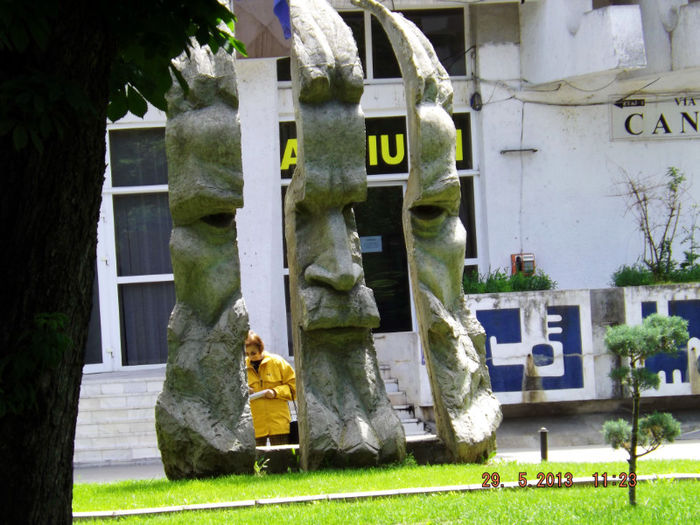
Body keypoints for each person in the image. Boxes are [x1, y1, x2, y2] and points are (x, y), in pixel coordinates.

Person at [245, 330, 296, 446]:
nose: (250, 357)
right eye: (247, 354)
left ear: (261, 348)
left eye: (253, 353)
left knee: (282, 460)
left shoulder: (277, 362)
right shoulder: (241, 368)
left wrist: (275, 392)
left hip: (279, 424)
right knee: (257, 462)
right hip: (254, 426)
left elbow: (295, 388)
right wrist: (244, 390)